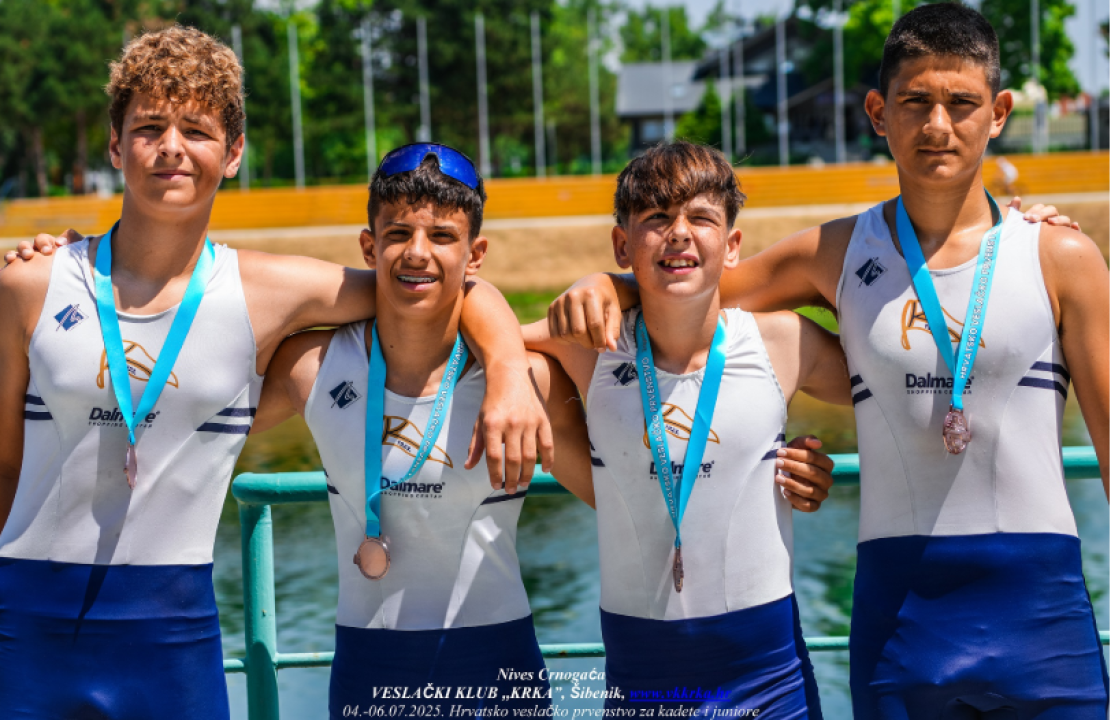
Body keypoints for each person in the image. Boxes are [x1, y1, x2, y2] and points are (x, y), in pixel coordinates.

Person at [547, 6, 1110, 718]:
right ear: (878, 112)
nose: (938, 125)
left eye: (962, 103)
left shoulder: (1060, 256)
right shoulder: (836, 253)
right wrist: (607, 284)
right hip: (899, 622)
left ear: (997, 113)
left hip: (1043, 622)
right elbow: (692, 286)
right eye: (915, 102)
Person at [0, 28, 550, 720]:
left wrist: (505, 365)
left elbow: (436, 286)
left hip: (174, 641)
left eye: (196, 130)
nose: (171, 146)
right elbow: (4, 466)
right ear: (114, 146)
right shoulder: (31, 283)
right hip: (24, 629)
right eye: (148, 127)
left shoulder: (270, 292)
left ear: (233, 153)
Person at [251, 144, 595, 719]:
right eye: (398, 233)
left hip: (497, 672)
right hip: (368, 674)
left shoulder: (527, 381)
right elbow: (200, 427)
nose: (417, 252)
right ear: (369, 247)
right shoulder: (309, 366)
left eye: (441, 236)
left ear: (475, 254)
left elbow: (626, 499)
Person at [525, 141, 849, 718]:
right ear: (622, 245)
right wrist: (507, 372)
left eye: (701, 218)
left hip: (771, 683)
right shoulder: (590, 347)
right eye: (656, 217)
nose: (679, 233)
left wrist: (1002, 244)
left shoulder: (782, 341)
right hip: (641, 685)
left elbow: (900, 381)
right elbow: (472, 336)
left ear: (732, 244)